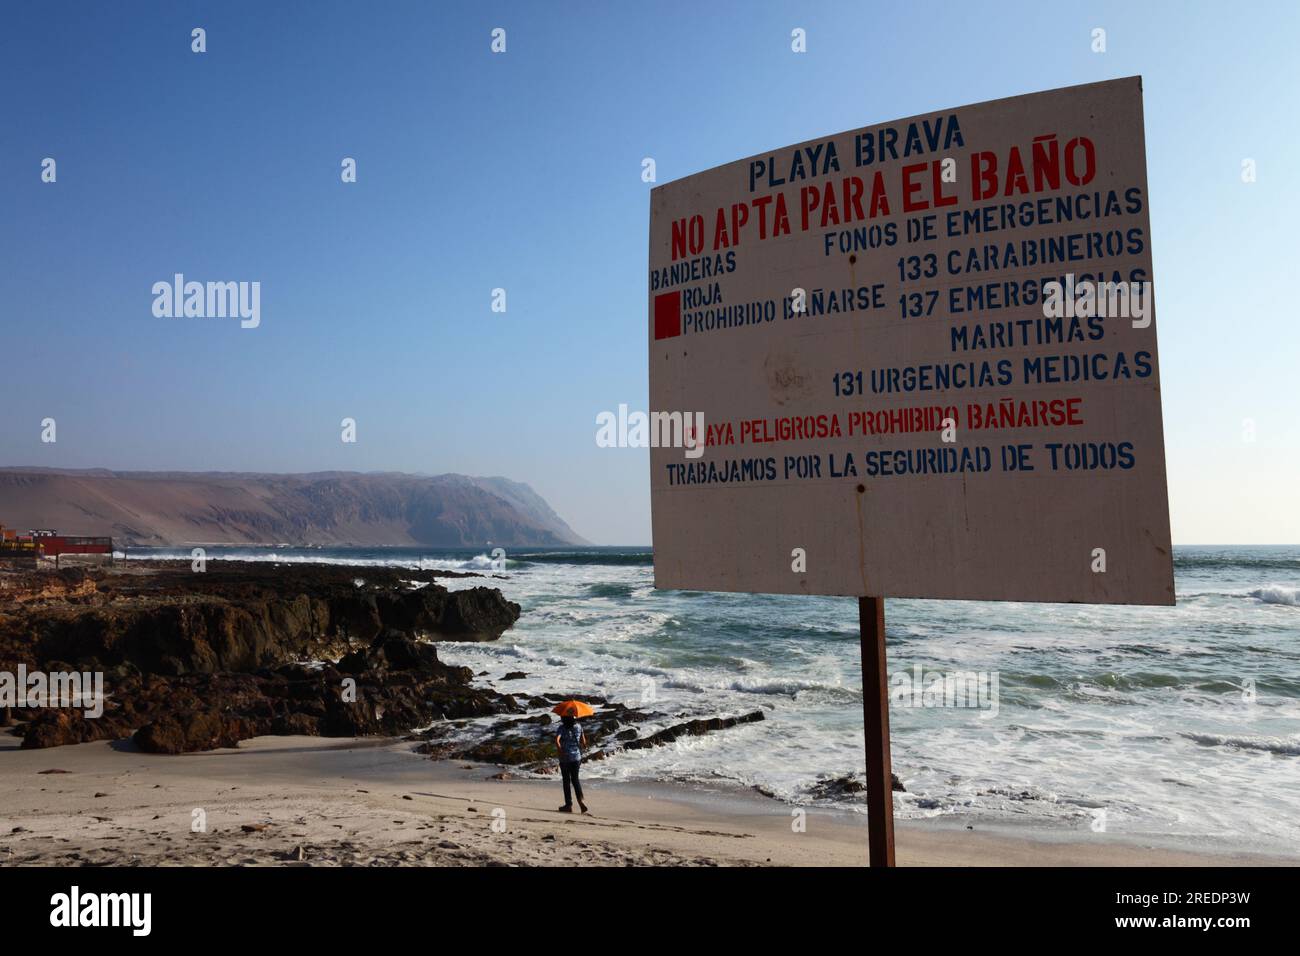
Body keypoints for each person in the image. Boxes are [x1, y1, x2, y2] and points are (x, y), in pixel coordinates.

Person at [554, 714, 588, 813]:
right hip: (576, 757)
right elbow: (583, 742)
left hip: (565, 759)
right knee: (575, 779)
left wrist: (560, 750)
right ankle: (581, 801)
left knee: (566, 781)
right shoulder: (579, 726)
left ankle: (568, 805)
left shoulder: (562, 728)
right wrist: (583, 746)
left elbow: (557, 740)